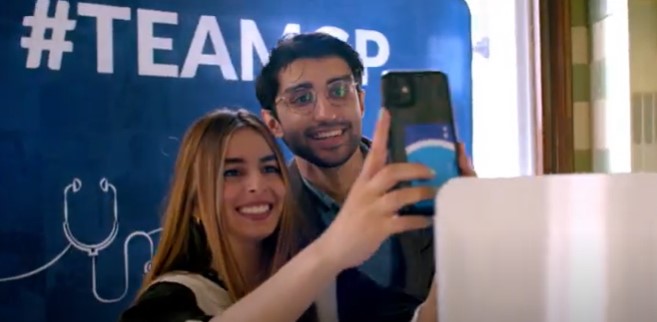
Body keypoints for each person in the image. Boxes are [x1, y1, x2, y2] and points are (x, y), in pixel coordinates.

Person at [119, 108, 439, 322]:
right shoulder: (172, 300)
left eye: (269, 168)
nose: (258, 186)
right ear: (194, 204)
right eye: (232, 173)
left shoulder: (322, 281)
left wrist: (461, 228)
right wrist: (331, 250)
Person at [256, 32, 476, 299]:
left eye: (338, 91)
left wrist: (477, 225)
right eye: (302, 99)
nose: (326, 114)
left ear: (360, 102)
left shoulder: (427, 183)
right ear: (273, 123)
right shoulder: (265, 213)